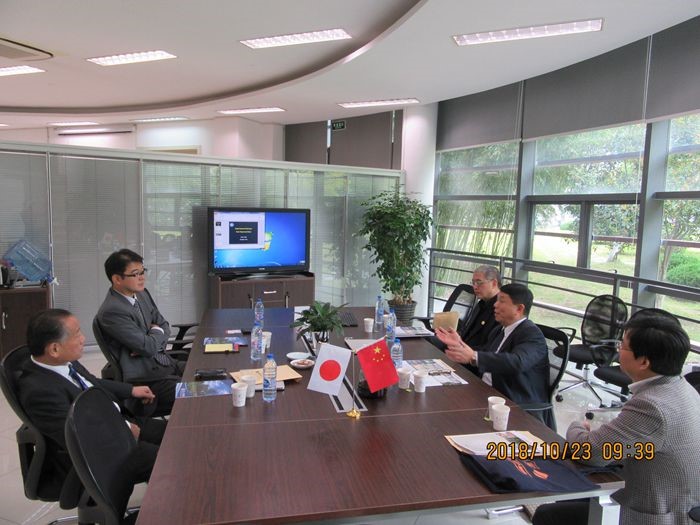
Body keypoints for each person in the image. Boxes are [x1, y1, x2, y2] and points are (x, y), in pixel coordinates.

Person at [533, 312, 700, 525]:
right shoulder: (682, 387)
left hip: (658, 515)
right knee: (572, 494)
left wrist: (577, 426)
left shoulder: (652, 405)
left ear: (644, 361)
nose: (618, 350)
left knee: (548, 515)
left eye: (623, 346)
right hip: (671, 497)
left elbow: (588, 451)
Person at [17, 309, 165, 499]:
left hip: (119, 421)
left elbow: (92, 382)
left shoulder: (62, 362)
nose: (83, 339)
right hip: (104, 452)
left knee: (176, 434)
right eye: (77, 334)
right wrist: (125, 429)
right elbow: (80, 436)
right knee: (169, 459)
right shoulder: (39, 391)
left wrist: (131, 390)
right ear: (54, 349)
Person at [436, 283, 550, 421]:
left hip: (510, 404)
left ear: (519, 308)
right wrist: (459, 344)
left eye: (501, 301)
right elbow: (485, 353)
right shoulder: (500, 330)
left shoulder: (532, 335)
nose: (495, 305)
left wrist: (473, 356)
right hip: (484, 392)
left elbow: (517, 362)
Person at [96, 249, 182, 415]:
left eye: (143, 272)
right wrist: (152, 338)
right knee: (202, 390)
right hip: (146, 379)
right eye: (135, 274)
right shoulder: (112, 311)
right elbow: (148, 347)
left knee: (211, 372)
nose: (142, 278)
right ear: (117, 279)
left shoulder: (142, 294)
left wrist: (152, 338)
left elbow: (164, 325)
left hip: (165, 363)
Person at [431, 265, 501, 354]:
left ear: (494, 283)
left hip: (472, 355)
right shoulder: (481, 304)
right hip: (461, 346)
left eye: (479, 282)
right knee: (428, 339)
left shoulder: (500, 310)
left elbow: (489, 348)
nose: (475, 287)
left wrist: (461, 347)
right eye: (473, 283)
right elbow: (467, 332)